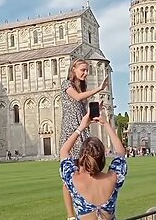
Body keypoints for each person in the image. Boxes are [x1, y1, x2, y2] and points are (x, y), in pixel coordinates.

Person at [60, 58, 108, 220]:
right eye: (83, 70)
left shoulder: (82, 87)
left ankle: (90, 209)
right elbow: (78, 98)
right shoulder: (65, 85)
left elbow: (82, 108)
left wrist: (96, 109)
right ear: (73, 69)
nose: (85, 73)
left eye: (87, 70)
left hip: (83, 131)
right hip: (71, 132)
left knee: (86, 172)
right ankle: (71, 216)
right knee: (69, 177)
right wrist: (99, 88)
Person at [60, 108, 127, 220]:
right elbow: (121, 153)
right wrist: (106, 124)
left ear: (82, 157)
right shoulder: (114, 177)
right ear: (102, 158)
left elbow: (63, 151)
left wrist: (81, 127)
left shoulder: (73, 179)